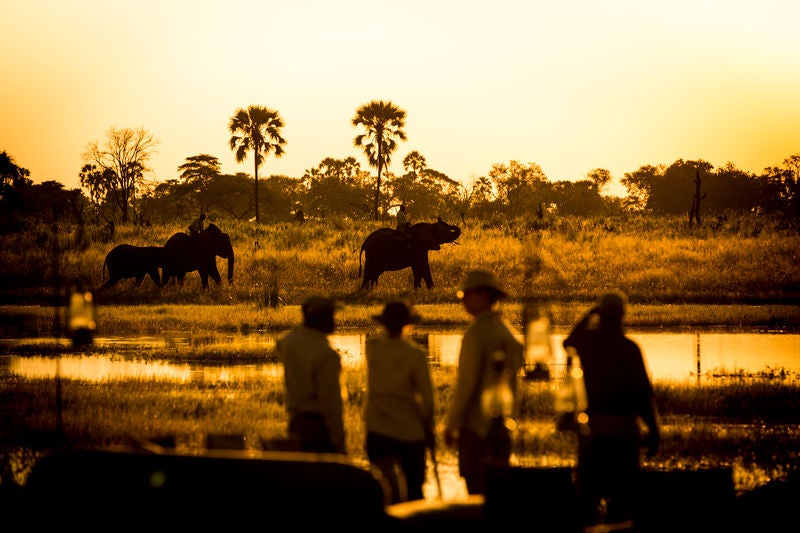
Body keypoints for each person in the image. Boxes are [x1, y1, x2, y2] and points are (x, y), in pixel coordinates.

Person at [562, 290, 661, 528]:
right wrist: (654, 430)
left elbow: (568, 342)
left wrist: (590, 313)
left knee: (587, 495)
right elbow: (643, 394)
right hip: (625, 428)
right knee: (623, 495)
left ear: (601, 314)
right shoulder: (629, 348)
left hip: (595, 426)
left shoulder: (589, 343)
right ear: (622, 316)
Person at [444, 270, 523, 495]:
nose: (463, 301)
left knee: (477, 492)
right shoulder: (508, 331)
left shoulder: (477, 332)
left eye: (465, 295)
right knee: (499, 493)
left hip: (476, 428)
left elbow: (467, 383)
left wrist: (452, 424)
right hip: (503, 427)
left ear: (482, 295)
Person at [364, 299, 434, 503]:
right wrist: (429, 426)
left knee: (383, 489)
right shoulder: (415, 355)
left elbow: (381, 341)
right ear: (407, 324)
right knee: (414, 490)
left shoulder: (373, 350)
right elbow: (427, 399)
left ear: (384, 325)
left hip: (378, 430)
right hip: (409, 432)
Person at [276, 295, 346, 454]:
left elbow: (282, 342)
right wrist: (339, 437)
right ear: (319, 319)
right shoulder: (327, 354)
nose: (333, 321)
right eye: (330, 316)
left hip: (296, 421)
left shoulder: (289, 342)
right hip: (319, 426)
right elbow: (331, 401)